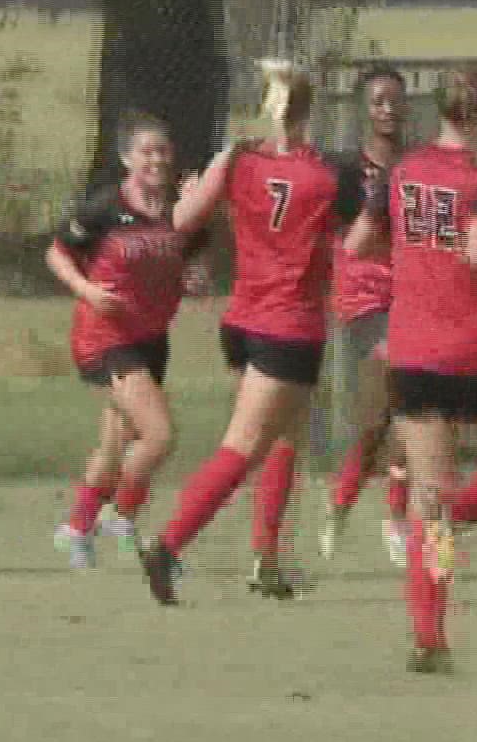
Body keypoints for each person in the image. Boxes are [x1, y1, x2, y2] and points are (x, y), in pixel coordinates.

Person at [344, 67, 477, 673]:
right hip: (475, 348)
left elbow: (358, 245)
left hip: (412, 349)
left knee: (427, 493)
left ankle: (429, 634)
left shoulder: (400, 172)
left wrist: (415, 258)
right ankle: (451, 518)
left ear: (437, 110)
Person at [137, 60, 359, 604]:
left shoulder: (238, 160)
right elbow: (359, 242)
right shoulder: (329, 174)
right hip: (290, 328)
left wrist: (209, 173)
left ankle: (268, 560)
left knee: (288, 439)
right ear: (311, 111)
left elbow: (181, 220)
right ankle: (168, 545)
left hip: (242, 320)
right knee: (244, 445)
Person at [48, 113, 212, 570]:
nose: (157, 159)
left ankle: (76, 528)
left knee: (115, 445)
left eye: (163, 150)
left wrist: (196, 279)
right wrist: (88, 291)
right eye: (146, 151)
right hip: (105, 336)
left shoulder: (184, 211)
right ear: (126, 159)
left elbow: (194, 266)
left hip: (151, 338)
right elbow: (57, 252)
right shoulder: (106, 207)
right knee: (159, 436)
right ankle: (120, 513)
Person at [320, 67, 413, 566]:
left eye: (396, 100)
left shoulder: (419, 165)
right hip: (364, 301)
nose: (388, 109)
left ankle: (348, 500)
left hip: (415, 298)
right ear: (364, 109)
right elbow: (345, 241)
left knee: (391, 418)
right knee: (400, 383)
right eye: (378, 100)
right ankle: (393, 515)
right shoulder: (344, 172)